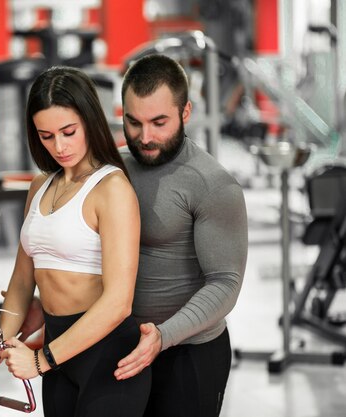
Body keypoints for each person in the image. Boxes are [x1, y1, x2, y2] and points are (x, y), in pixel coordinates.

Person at [0, 66, 151, 417]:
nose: (59, 146)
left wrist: (41, 359)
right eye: (46, 135)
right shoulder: (40, 186)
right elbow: (22, 283)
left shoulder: (111, 188)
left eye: (69, 132)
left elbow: (118, 302)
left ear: (89, 121)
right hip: (58, 355)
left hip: (108, 358)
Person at [114, 54, 248, 417]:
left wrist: (163, 336)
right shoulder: (112, 169)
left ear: (185, 113)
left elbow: (224, 283)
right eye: (134, 122)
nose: (146, 137)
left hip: (188, 354)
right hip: (121, 349)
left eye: (159, 122)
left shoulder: (212, 184)